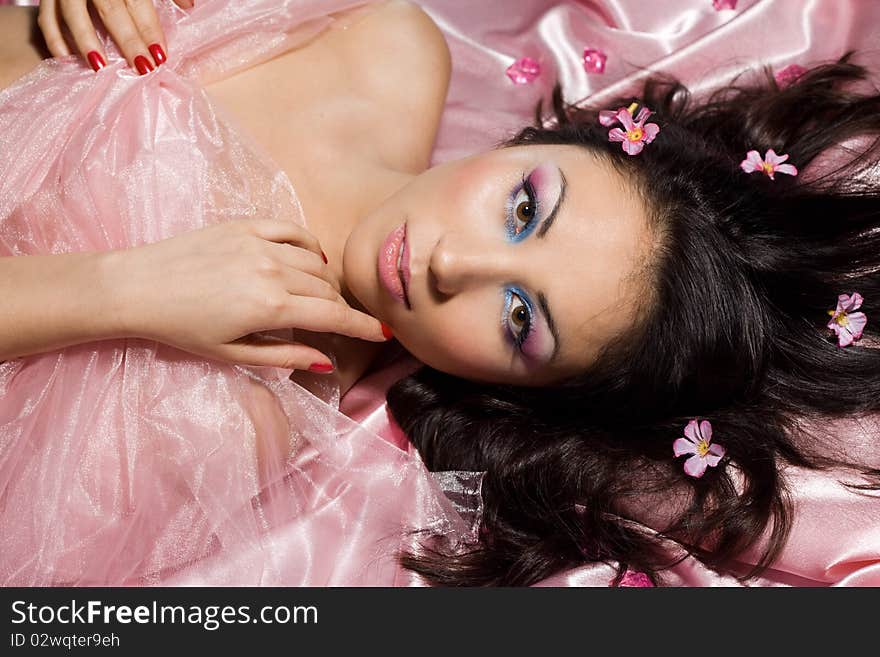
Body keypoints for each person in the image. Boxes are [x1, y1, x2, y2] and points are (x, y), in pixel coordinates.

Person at [1, 0, 879, 586]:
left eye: (518, 316)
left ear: (517, 388)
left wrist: (117, 290)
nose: (454, 265)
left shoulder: (241, 398)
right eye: (525, 206)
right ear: (554, 144)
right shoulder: (384, 43)